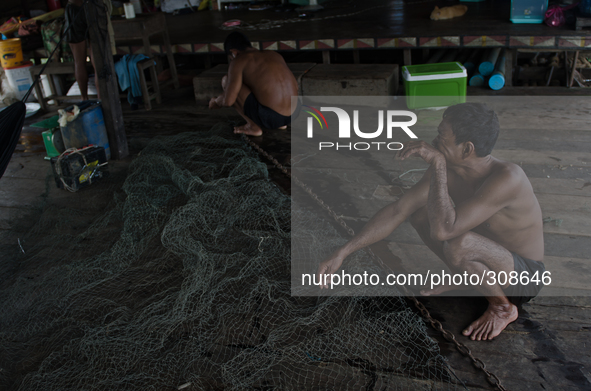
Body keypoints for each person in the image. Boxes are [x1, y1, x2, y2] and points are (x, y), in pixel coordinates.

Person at [316, 103, 545, 341]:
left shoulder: (508, 177)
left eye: (441, 137)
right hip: (487, 260)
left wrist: (437, 164)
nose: (433, 142)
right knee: (421, 214)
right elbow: (398, 210)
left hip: (523, 277)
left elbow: (444, 231)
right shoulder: (451, 169)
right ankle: (467, 277)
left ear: (467, 149)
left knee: (459, 243)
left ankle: (502, 308)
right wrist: (343, 252)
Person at [208, 32, 300, 137]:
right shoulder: (274, 54)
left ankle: (252, 127)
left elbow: (228, 101)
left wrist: (216, 101)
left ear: (233, 52)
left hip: (272, 117)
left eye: (231, 58)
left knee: (226, 80)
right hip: (294, 113)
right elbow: (295, 85)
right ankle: (281, 124)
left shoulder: (239, 60)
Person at [64, 0, 116, 100]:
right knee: (96, 62)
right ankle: (99, 99)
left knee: (82, 62)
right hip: (92, 7)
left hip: (85, 7)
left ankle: (86, 98)